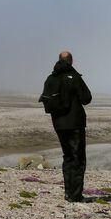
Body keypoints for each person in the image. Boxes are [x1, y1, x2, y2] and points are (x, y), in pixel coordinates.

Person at [39, 51, 93, 202]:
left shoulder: (50, 78)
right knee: (78, 158)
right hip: (75, 123)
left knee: (68, 157)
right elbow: (86, 98)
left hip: (58, 124)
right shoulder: (73, 77)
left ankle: (68, 193)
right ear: (71, 61)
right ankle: (75, 195)